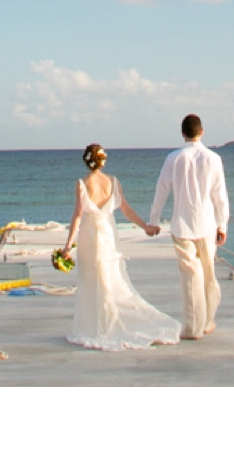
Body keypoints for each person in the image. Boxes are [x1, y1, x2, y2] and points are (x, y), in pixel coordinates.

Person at [56, 144, 181, 350]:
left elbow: (78, 216)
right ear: (103, 161)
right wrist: (145, 227)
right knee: (110, 276)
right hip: (107, 234)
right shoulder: (113, 182)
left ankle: (98, 325)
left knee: (92, 278)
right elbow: (126, 209)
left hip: (89, 235)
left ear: (87, 161)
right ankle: (107, 319)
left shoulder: (82, 184)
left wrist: (67, 246)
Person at [149, 113, 229, 340]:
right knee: (208, 274)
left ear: (183, 133)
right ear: (201, 132)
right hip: (207, 224)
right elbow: (220, 195)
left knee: (190, 278)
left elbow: (161, 190)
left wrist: (154, 221)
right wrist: (223, 224)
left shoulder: (174, 158)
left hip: (182, 225)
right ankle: (208, 321)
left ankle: (193, 327)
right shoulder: (213, 158)